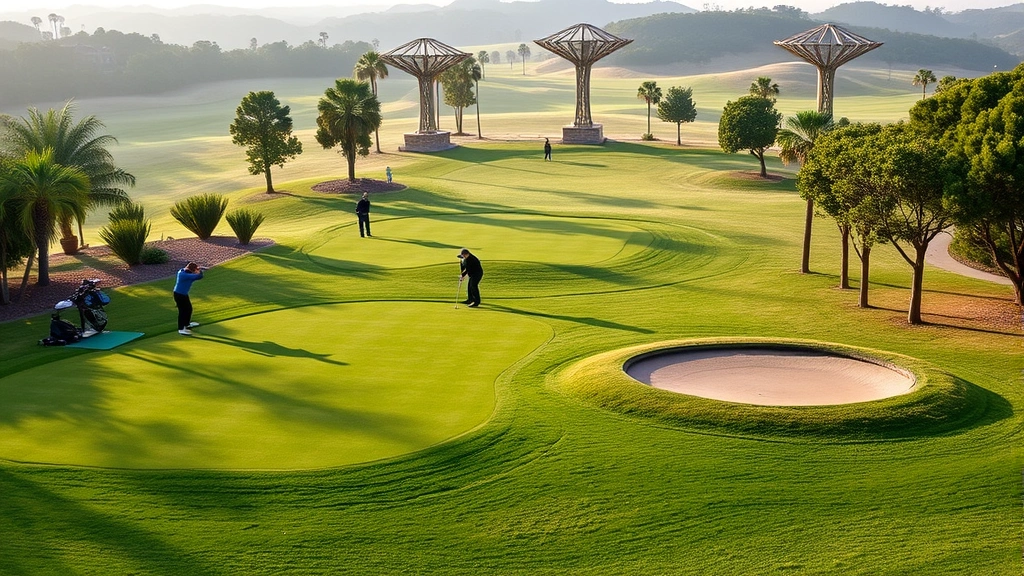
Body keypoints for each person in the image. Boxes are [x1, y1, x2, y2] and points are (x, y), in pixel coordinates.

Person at [173, 262, 204, 335]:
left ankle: (187, 324)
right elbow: (199, 276)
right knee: (182, 312)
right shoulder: (184, 275)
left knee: (189, 309)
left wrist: (197, 270)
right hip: (179, 295)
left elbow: (195, 275)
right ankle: (181, 329)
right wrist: (199, 271)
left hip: (183, 294)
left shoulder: (182, 271)